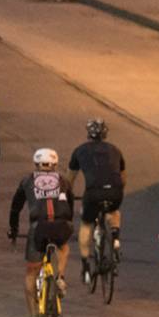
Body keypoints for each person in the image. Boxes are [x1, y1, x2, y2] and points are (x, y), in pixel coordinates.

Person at [8, 148, 74, 317]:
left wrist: (13, 230)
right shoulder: (64, 181)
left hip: (39, 228)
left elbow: (15, 207)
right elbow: (70, 205)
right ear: (55, 164)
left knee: (31, 272)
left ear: (36, 164)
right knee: (63, 247)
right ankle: (60, 276)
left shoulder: (28, 180)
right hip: (61, 225)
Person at [67, 118, 126, 284]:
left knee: (86, 224)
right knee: (113, 211)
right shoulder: (115, 150)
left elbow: (69, 179)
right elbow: (123, 178)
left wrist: (69, 194)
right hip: (115, 191)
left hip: (93, 193)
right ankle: (115, 239)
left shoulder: (79, 151)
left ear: (88, 134)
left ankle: (85, 266)